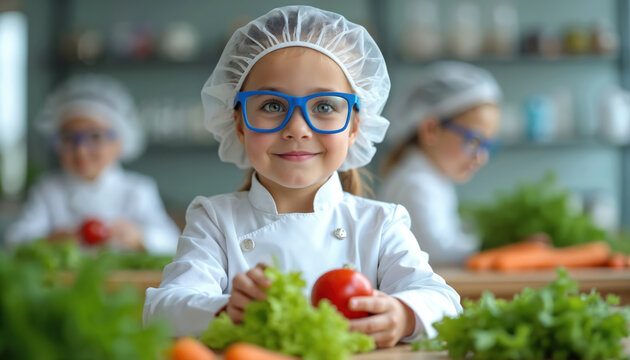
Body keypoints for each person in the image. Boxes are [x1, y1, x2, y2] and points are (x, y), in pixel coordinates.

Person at [143, 6, 461, 347]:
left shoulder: (380, 224)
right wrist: (225, 309)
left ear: (354, 126)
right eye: (272, 106)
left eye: (324, 107)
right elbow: (162, 310)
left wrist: (403, 314)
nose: (297, 129)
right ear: (238, 123)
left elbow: (445, 303)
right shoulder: (215, 221)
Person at [5, 74, 180, 254]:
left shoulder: (138, 190)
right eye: (68, 138)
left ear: (120, 143)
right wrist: (51, 240)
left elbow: (171, 242)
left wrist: (140, 237)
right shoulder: (47, 190)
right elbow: (16, 240)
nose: (80, 150)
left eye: (95, 137)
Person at [378, 61, 502, 265]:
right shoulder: (415, 184)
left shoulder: (434, 178)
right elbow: (441, 255)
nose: (482, 157)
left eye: (488, 145)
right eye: (474, 141)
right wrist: (503, 244)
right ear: (431, 130)